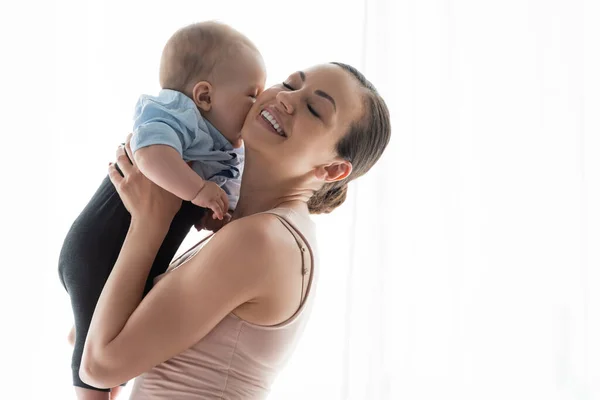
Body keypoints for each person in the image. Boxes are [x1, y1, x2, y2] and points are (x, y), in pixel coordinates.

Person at [79, 62, 391, 399]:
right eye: (289, 84)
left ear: (331, 169)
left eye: (314, 109)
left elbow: (99, 367)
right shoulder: (262, 232)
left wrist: (148, 225)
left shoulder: (261, 240)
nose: (286, 99)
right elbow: (97, 345)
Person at [58, 21, 266, 398]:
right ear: (204, 96)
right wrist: (198, 189)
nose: (259, 105)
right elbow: (150, 154)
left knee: (109, 322)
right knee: (95, 369)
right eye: (252, 95)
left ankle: (81, 327)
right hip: (100, 246)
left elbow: (223, 201)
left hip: (141, 250)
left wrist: (210, 211)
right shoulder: (178, 113)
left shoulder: (222, 146)